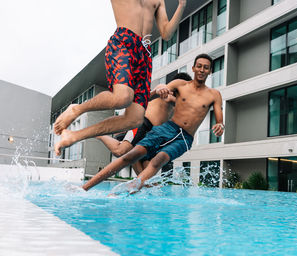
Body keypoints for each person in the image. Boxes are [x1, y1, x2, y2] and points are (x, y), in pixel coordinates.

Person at [53, 0, 187, 156]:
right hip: (124, 42)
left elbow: (166, 33)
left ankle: (74, 135)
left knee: (135, 119)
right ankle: (77, 109)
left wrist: (182, 5)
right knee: (123, 97)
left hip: (145, 56)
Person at [82, 54, 225, 193]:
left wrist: (220, 125)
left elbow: (219, 117)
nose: (202, 70)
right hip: (165, 128)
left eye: (206, 67)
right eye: (199, 66)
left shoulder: (214, 94)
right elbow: (156, 94)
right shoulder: (179, 85)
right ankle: (85, 188)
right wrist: (158, 89)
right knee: (129, 155)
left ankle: (130, 188)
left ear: (210, 71)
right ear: (193, 68)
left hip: (185, 138)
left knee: (158, 160)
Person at [96, 72, 192, 175]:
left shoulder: (179, 103)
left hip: (152, 135)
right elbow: (152, 95)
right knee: (120, 150)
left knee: (147, 175)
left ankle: (138, 188)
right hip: (142, 123)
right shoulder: (165, 88)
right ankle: (99, 134)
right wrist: (156, 91)